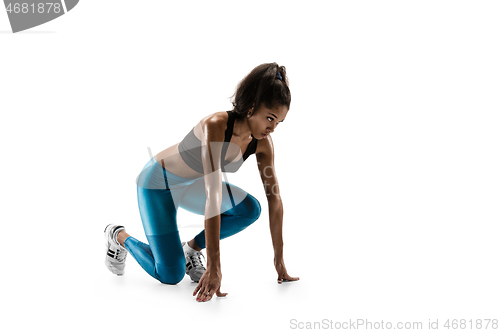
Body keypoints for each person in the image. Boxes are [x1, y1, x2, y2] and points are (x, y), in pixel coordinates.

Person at [104, 62, 299, 302]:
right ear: (251, 107)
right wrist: (214, 267)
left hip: (189, 187)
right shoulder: (215, 125)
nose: (273, 128)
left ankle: (190, 249)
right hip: (158, 185)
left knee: (250, 209)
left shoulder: (262, 143)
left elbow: (274, 198)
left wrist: (278, 259)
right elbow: (213, 195)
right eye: (270, 118)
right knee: (170, 274)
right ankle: (118, 236)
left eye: (279, 122)